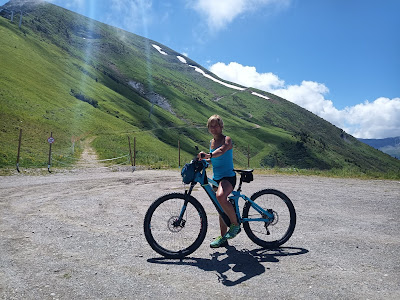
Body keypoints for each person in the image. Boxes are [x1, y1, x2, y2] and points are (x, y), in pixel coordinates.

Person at [198, 115, 241, 248]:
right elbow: (214, 158)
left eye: (216, 125)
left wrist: (209, 155)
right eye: (211, 126)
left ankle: (235, 225)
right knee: (220, 208)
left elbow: (222, 150)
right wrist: (204, 160)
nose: (214, 128)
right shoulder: (211, 142)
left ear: (221, 126)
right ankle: (223, 238)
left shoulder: (226, 139)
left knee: (221, 197)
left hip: (228, 177)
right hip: (217, 178)